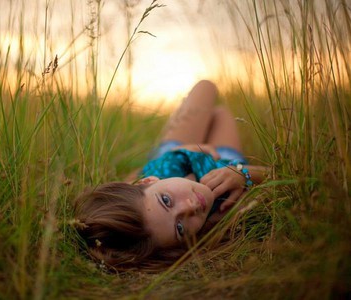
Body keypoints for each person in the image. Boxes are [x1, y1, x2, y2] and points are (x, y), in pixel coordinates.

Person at [73, 80, 267, 271]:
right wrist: (243, 173)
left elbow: (143, 188)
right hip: (227, 159)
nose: (190, 206)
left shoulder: (159, 171)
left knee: (206, 87)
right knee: (221, 113)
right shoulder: (224, 210)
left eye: (166, 200)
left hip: (174, 153)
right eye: (180, 228)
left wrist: (184, 150)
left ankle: (175, 139)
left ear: (148, 181)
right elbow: (278, 177)